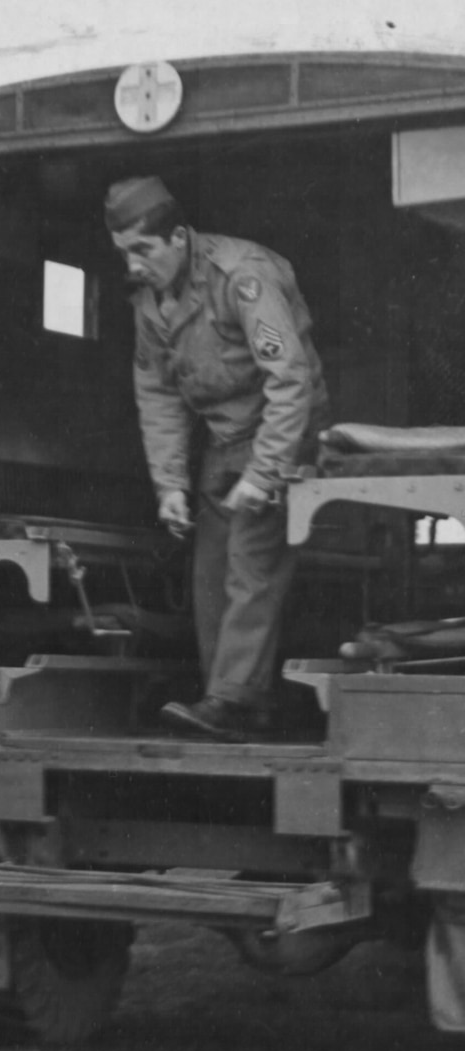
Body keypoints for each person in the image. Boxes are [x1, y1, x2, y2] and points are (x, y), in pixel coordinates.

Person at [106, 175, 330, 740]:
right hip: (223, 440)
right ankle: (232, 703)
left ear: (178, 237)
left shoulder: (243, 275)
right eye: (123, 252)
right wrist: (170, 485)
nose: (132, 265)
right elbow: (156, 393)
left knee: (251, 568)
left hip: (282, 432)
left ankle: (233, 701)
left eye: (142, 250)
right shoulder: (149, 301)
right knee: (209, 574)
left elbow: (290, 379)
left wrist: (266, 471)